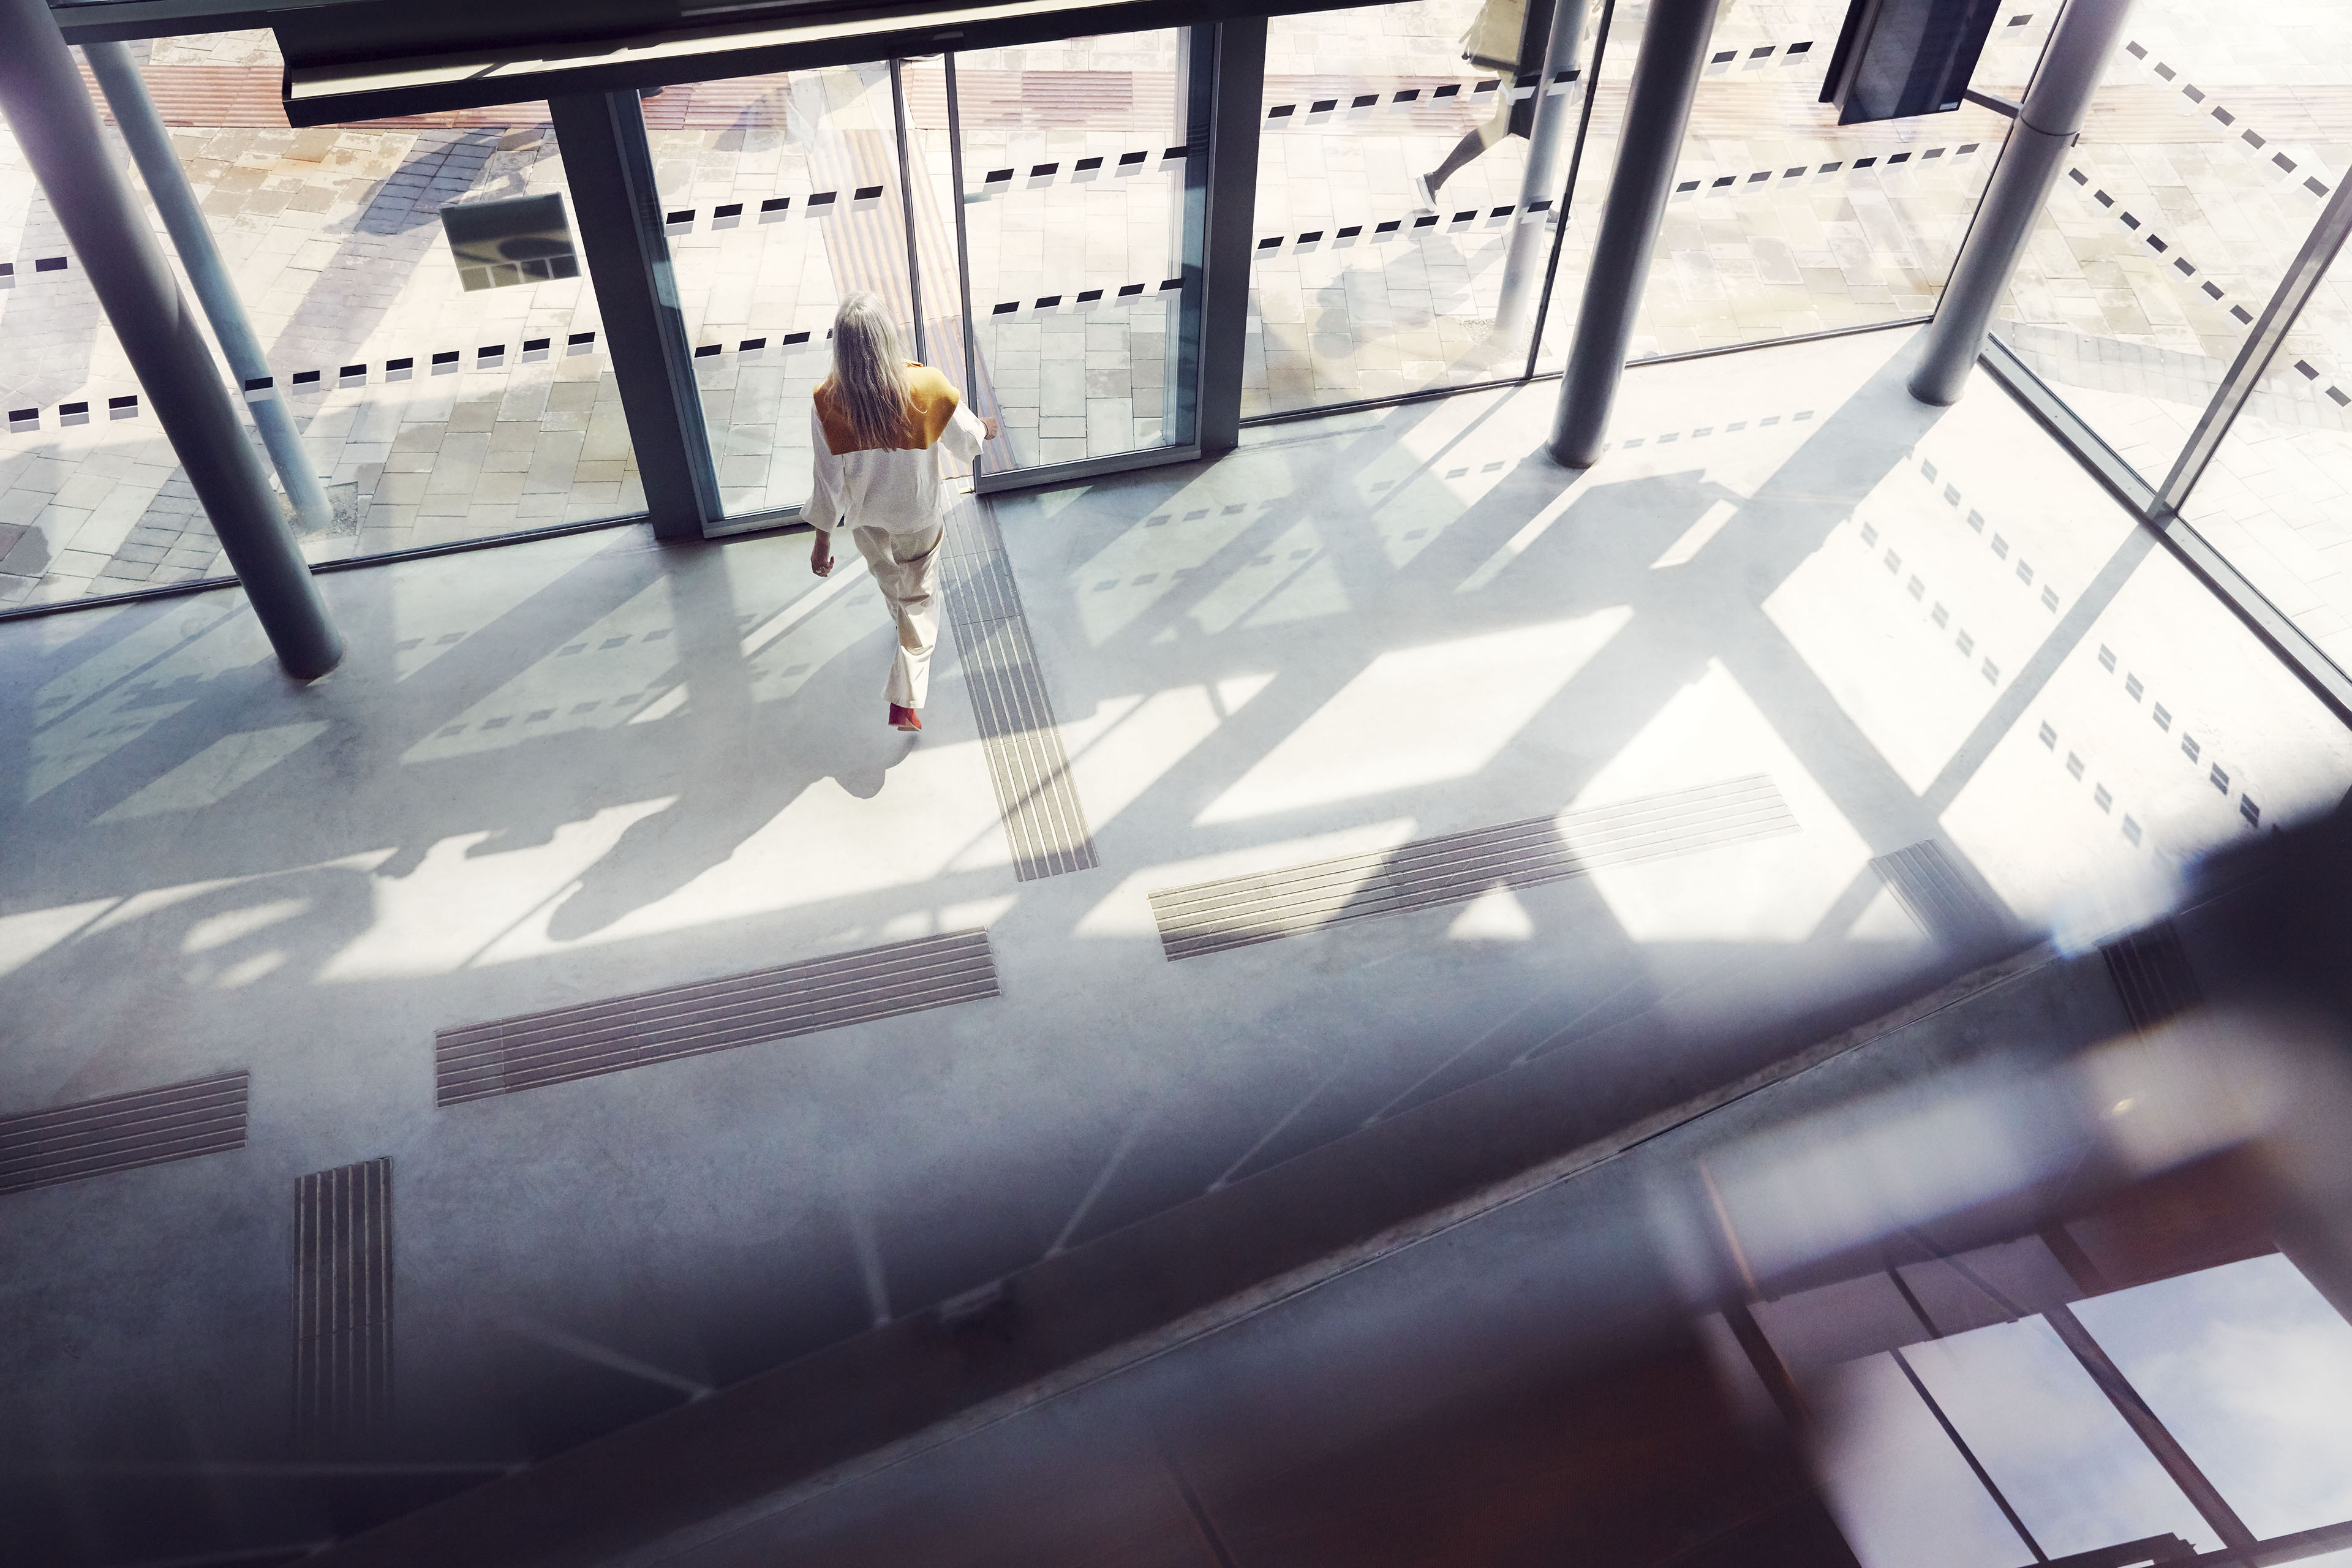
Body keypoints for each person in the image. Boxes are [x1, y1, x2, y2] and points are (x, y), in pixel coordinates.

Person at [805, 292, 994, 733]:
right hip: (916, 514)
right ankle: (906, 698)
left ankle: (901, 627)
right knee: (921, 599)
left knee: (891, 581)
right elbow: (967, 443)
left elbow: (827, 480)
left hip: (865, 519)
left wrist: (822, 541)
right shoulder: (926, 386)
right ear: (888, 338)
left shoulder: (825, 401)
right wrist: (986, 428)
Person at [1414, 0, 1547, 211]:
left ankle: (1435, 180)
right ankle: (1539, 209)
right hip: (1527, 73)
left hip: (1514, 64)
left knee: (1501, 127)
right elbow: (1541, 41)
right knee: (1544, 140)